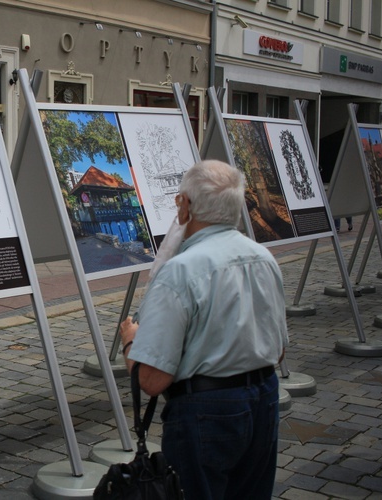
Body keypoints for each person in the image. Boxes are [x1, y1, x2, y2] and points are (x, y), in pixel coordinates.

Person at [119, 159, 288, 500]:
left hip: (206, 412)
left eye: (180, 199)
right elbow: (278, 349)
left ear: (187, 206)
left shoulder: (180, 271)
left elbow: (152, 381)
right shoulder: (263, 257)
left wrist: (130, 342)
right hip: (264, 401)